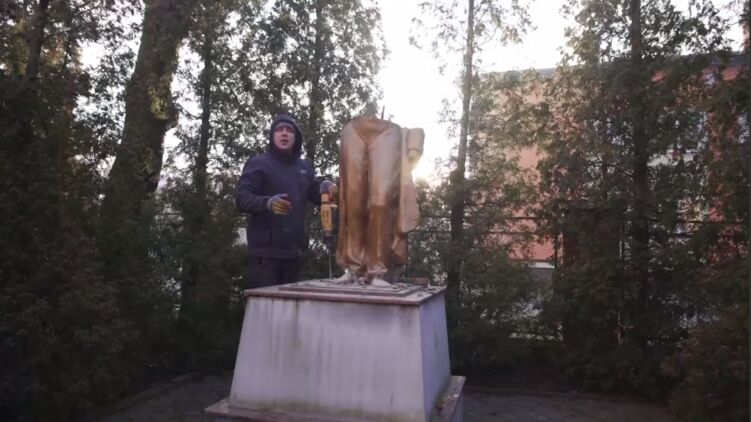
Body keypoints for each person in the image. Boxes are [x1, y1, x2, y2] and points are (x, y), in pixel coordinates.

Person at [235, 113, 336, 288]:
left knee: (292, 304)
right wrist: (267, 203)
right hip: (265, 258)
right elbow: (241, 198)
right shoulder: (259, 163)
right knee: (265, 304)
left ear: (296, 138)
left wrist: (325, 187)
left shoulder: (304, 167)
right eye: (279, 130)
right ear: (272, 136)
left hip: (296, 256)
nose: (284, 133)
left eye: (289, 130)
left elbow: (316, 193)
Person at [335, 116, 424, 286]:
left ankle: (378, 271)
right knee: (353, 202)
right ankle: (354, 268)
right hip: (354, 128)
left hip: (388, 131)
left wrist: (414, 144)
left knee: (381, 201)